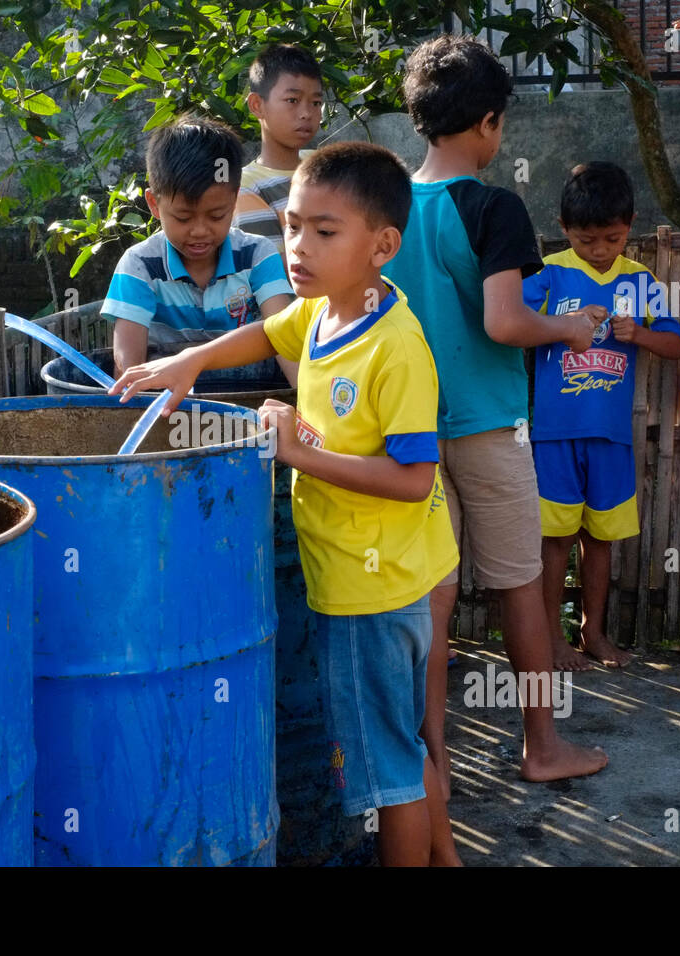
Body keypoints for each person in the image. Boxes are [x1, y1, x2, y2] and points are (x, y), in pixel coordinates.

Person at [111, 142, 462, 866]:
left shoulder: (396, 347)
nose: (298, 247)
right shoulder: (326, 312)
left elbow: (413, 479)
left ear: (383, 246)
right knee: (397, 741)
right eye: (293, 226)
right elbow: (269, 331)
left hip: (375, 589)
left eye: (324, 232)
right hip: (356, 577)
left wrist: (298, 453)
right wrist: (193, 360)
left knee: (385, 774)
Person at [382, 34, 609, 786]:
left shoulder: (383, 208)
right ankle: (542, 746)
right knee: (519, 586)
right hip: (488, 424)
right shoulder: (493, 204)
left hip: (409, 430)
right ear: (487, 122)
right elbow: (506, 323)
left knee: (432, 601)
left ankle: (432, 763)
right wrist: (570, 328)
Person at [524, 162, 680, 670]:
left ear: (631, 224)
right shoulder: (548, 271)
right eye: (587, 239)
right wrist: (562, 324)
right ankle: (551, 638)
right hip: (554, 433)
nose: (599, 249)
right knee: (554, 542)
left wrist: (639, 334)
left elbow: (677, 343)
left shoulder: (641, 280)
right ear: (564, 228)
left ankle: (594, 633)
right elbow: (515, 325)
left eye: (611, 238)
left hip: (612, 436)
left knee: (601, 540)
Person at [101, 116, 293, 377]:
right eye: (183, 218)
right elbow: (128, 368)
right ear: (154, 204)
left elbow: (284, 339)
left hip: (250, 400)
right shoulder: (139, 266)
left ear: (234, 199)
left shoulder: (257, 256)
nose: (200, 231)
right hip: (167, 408)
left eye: (216, 216)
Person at [233, 43, 324, 261]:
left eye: (316, 102)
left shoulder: (323, 162)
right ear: (257, 105)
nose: (306, 113)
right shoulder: (246, 187)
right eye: (292, 100)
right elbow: (274, 274)